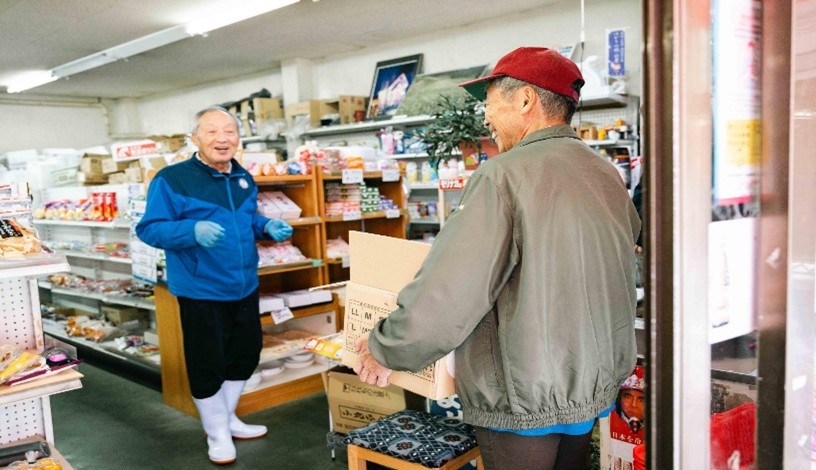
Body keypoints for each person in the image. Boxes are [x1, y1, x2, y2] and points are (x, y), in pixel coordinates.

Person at [353, 47, 641, 469]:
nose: (485, 117)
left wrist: (384, 347)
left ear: (525, 100)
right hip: (589, 380)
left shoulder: (502, 176)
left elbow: (450, 291)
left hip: (524, 390)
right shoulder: (605, 174)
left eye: (489, 103)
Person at [136, 106, 293, 465]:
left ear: (238, 138)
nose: (222, 139)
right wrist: (190, 230)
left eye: (230, 132)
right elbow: (149, 228)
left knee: (246, 353)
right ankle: (217, 432)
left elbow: (246, 218)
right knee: (207, 362)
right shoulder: (172, 179)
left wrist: (265, 226)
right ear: (194, 139)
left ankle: (228, 418)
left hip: (244, 283)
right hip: (199, 287)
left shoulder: (242, 177)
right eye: (212, 132)